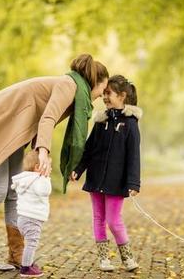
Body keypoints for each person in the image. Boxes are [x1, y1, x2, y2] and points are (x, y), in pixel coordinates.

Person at [0, 54, 109, 268]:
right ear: (94, 83)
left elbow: (37, 117)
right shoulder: (68, 85)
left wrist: (38, 151)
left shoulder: (75, 94)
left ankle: (16, 252)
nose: (101, 95)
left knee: (14, 190)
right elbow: (48, 118)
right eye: (102, 89)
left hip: (14, 135)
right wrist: (43, 151)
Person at [70, 75, 142, 272]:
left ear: (122, 96)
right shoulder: (101, 121)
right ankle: (104, 259)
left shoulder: (131, 125)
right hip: (96, 177)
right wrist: (78, 168)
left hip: (116, 182)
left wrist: (133, 183)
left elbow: (133, 156)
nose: (104, 96)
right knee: (98, 219)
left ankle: (127, 258)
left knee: (113, 220)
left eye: (108, 93)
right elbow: (89, 148)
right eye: (104, 93)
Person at [11, 150, 51, 278]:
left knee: (30, 243)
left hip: (23, 218)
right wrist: (46, 178)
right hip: (32, 219)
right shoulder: (38, 180)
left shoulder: (26, 179)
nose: (50, 169)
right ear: (38, 167)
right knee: (32, 243)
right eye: (48, 166)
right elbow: (44, 191)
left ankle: (28, 262)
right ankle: (26, 268)